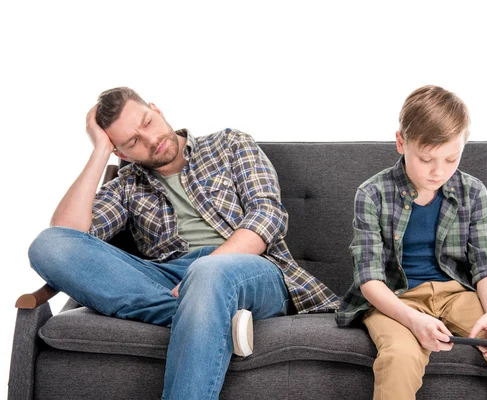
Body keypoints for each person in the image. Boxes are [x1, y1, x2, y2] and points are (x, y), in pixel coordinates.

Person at [28, 87, 339, 399]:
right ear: (120, 153)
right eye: (132, 142)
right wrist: (98, 152)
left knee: (207, 275)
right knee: (48, 246)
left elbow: (266, 214)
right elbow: (69, 235)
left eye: (147, 123)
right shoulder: (126, 185)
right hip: (168, 278)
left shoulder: (229, 143)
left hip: (250, 269)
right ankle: (210, 315)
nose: (150, 140)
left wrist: (208, 267)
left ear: (156, 109)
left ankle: (205, 305)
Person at [335, 85, 487, 399]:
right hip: (396, 297)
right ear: (401, 143)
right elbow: (369, 279)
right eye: (426, 159)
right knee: (400, 358)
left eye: (451, 159)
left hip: (456, 294)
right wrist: (413, 319)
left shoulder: (472, 191)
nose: (439, 172)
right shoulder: (372, 193)